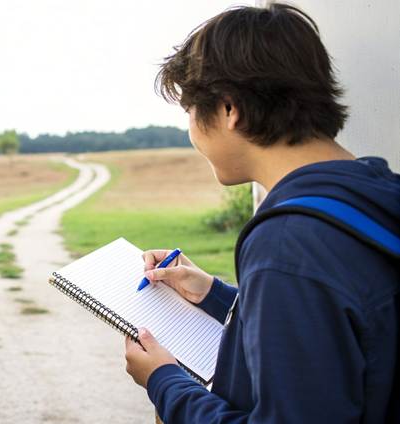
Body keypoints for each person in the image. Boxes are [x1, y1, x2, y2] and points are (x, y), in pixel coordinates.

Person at [123, 3, 400, 423]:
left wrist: (164, 381)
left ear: (230, 109)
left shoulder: (288, 245)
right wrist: (216, 296)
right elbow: (350, 335)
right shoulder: (374, 192)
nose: (192, 131)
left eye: (192, 112)